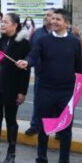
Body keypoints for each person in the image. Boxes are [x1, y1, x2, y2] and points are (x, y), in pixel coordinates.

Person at [17, 8, 82, 163]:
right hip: (45, 90)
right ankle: (41, 161)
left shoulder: (74, 42)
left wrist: (76, 89)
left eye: (58, 19)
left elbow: (78, 68)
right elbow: (33, 56)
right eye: (52, 18)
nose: (53, 21)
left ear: (66, 23)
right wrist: (27, 62)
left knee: (65, 130)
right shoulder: (43, 40)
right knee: (44, 128)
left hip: (66, 92)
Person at [0, 12, 30, 163]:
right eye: (2, 21)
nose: (2, 24)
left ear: (15, 25)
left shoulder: (23, 44)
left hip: (11, 88)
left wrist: (22, 91)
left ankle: (11, 153)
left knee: (11, 120)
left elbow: (26, 71)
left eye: (6, 22)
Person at [25, 8, 55, 136]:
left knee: (56, 104)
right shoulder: (37, 33)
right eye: (45, 15)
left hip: (57, 75)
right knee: (38, 101)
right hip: (40, 73)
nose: (46, 17)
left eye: (49, 15)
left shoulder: (61, 33)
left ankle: (56, 129)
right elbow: (31, 51)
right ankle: (35, 125)